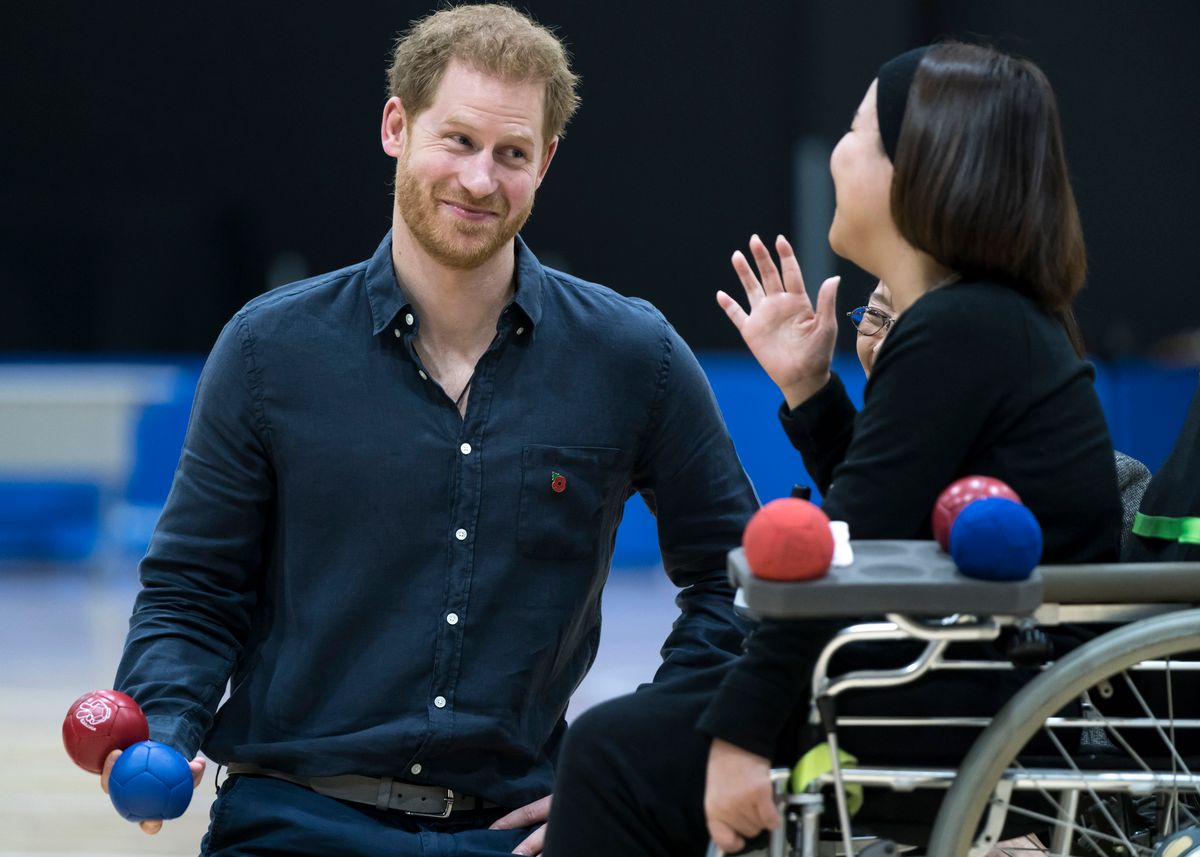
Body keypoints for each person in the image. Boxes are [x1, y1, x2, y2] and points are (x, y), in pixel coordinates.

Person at [100, 5, 759, 856]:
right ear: (396, 126)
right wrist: (165, 722)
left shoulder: (633, 356)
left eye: (512, 153)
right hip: (295, 821)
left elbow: (744, 577)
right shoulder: (268, 350)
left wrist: (636, 767)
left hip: (518, 832)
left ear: (546, 161)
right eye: (457, 141)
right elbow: (193, 587)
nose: (481, 180)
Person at [544, 42, 1123, 856]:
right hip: (955, 676)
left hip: (965, 702)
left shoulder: (962, 328)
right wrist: (812, 391)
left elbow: (844, 557)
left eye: (857, 133)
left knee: (609, 755)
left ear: (916, 171)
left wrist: (741, 738)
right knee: (637, 744)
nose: (840, 152)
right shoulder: (981, 323)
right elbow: (892, 514)